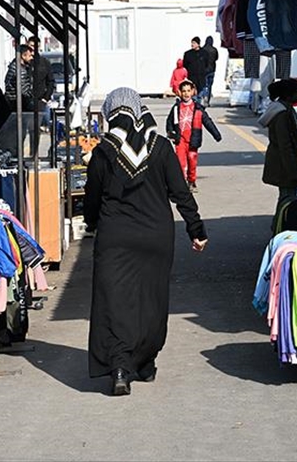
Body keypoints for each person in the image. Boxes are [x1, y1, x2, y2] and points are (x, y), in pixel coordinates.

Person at [84, 87, 208, 396]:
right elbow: (180, 192)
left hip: (115, 238)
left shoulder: (104, 151)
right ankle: (147, 361)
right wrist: (196, 229)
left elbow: (92, 198)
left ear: (112, 114)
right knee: (151, 300)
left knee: (114, 302)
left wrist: (92, 223)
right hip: (156, 237)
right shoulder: (161, 147)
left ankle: (121, 367)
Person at [165, 79, 223, 192]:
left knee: (192, 160)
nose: (186, 93)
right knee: (180, 163)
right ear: (180, 92)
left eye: (188, 90)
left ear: (193, 91)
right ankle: (181, 184)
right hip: (180, 140)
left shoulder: (198, 109)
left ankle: (191, 181)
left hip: (192, 140)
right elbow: (169, 122)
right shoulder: (176, 108)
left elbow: (207, 122)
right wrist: (170, 132)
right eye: (184, 91)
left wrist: (216, 134)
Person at [259, 78, 297, 208]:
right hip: (284, 164)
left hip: (285, 162)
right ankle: (280, 225)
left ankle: (281, 224)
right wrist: (291, 170)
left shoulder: (286, 109)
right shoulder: (282, 114)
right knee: (287, 198)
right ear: (288, 95)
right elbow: (285, 144)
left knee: (287, 197)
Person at [200, 36, 220, 106]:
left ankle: (203, 97)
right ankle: (207, 100)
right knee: (210, 85)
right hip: (212, 69)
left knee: (203, 85)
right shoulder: (214, 50)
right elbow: (216, 58)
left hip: (203, 70)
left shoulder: (202, 49)